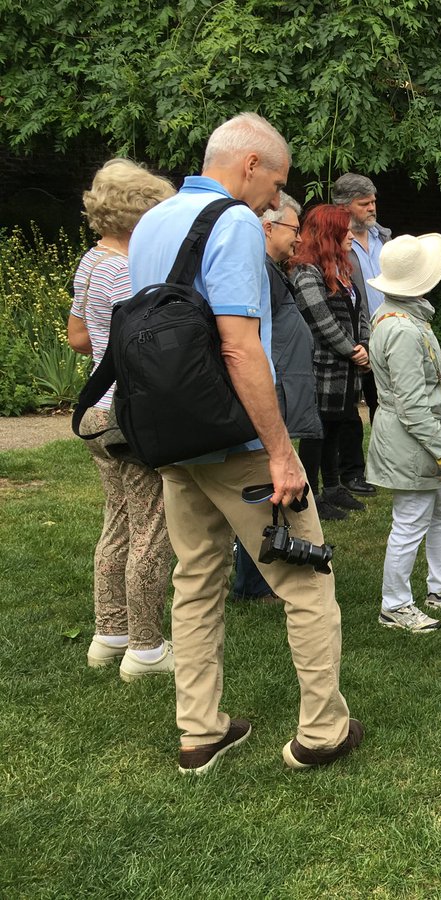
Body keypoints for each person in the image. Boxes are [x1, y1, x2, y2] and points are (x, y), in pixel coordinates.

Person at [128, 112, 361, 774]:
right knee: (307, 580)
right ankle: (322, 731)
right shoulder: (231, 222)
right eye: (276, 183)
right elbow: (238, 344)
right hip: (237, 442)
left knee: (196, 579)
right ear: (250, 165)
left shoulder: (154, 220)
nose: (273, 202)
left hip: (175, 438)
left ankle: (199, 730)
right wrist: (282, 451)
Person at [69, 158, 177, 681]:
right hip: (129, 414)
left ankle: (107, 636)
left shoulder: (91, 262)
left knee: (116, 522)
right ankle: (146, 649)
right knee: (151, 531)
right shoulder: (133, 267)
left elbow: (78, 337)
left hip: (94, 410)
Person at [229, 192, 324, 602]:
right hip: (272, 396)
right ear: (267, 228)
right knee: (265, 491)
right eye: (293, 229)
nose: (299, 238)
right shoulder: (260, 273)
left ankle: (258, 580)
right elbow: (252, 343)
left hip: (282, 390)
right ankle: (254, 584)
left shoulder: (270, 269)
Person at [366, 233, 441, 634]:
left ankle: (439, 585)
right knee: (409, 521)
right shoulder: (403, 329)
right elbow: (411, 405)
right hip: (412, 441)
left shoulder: (400, 315)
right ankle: (395, 605)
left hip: (416, 435)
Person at [289, 204, 372, 521]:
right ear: (328, 235)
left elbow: (359, 311)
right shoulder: (306, 273)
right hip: (321, 369)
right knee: (316, 432)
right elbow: (321, 322)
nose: (351, 234)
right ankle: (310, 496)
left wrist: (363, 343)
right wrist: (353, 350)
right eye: (345, 230)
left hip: (346, 369)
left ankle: (333, 487)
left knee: (337, 425)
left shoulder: (342, 270)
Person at [332, 173, 390, 487]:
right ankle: (351, 473)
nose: (372, 208)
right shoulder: (336, 243)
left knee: (385, 405)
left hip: (389, 334)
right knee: (348, 411)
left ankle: (385, 466)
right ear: (344, 207)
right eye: (364, 203)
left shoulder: (385, 238)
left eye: (374, 201)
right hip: (355, 339)